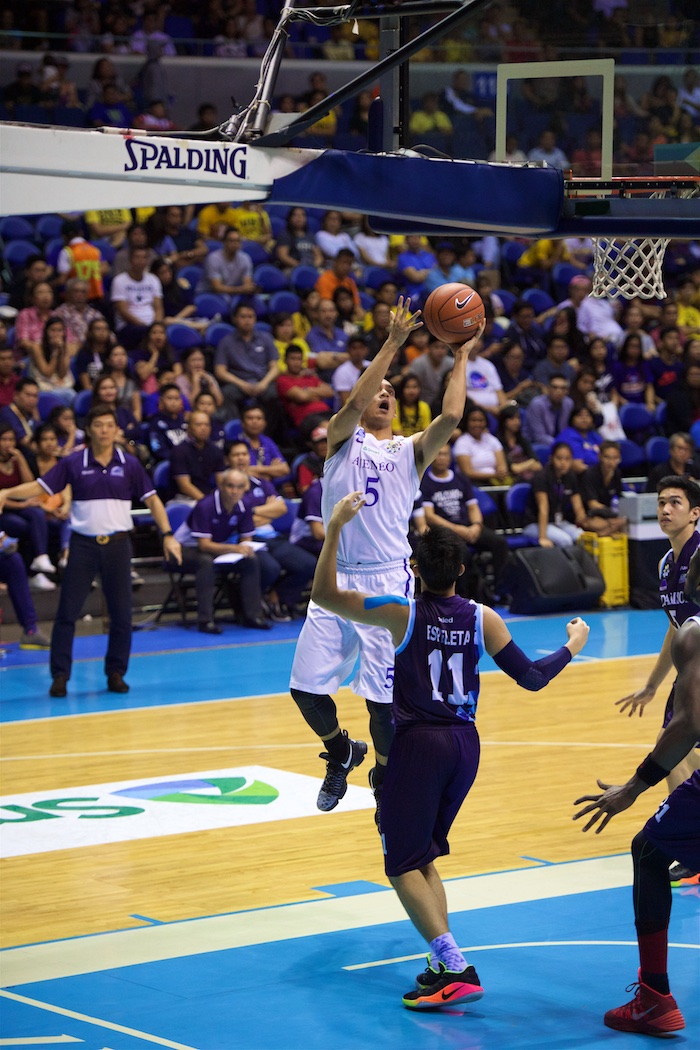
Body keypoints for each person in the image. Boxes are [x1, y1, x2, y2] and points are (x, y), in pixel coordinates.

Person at [314, 491, 589, 1008]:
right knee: (424, 856)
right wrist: (572, 646)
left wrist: (335, 531)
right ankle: (442, 963)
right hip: (466, 746)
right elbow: (531, 677)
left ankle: (456, 964)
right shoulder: (484, 618)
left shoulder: (401, 612)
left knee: (399, 863)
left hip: (419, 745)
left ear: (414, 568)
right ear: (461, 568)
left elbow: (326, 595)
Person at [289, 297, 485, 819]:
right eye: (374, 388)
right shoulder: (340, 441)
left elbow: (451, 415)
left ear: (396, 408)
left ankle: (385, 781)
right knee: (305, 693)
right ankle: (339, 751)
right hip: (336, 579)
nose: (382, 393)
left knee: (383, 707)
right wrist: (393, 344)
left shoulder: (409, 451)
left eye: (390, 391)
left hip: (387, 584)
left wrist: (461, 355)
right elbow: (353, 404)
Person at [573, 546, 700, 1037]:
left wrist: (633, 787)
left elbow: (688, 724)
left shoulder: (693, 633)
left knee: (648, 849)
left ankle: (654, 996)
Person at [0, 404, 182, 697]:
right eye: (99, 425)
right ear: (90, 429)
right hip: (83, 545)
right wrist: (7, 492)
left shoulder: (130, 463)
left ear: (116, 429)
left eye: (110, 425)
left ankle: (116, 672)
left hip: (119, 545)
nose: (105, 430)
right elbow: (39, 487)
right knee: (67, 614)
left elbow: (154, 501)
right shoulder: (73, 462)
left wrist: (168, 535)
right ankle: (60, 676)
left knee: (122, 615)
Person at [615, 476, 700, 796]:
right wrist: (652, 684)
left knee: (674, 752)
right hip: (690, 674)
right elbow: (676, 629)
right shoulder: (666, 564)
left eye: (675, 502)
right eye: (661, 502)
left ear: (695, 513)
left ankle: (682, 835)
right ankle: (686, 832)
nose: (665, 509)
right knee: (675, 752)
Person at [172, 468, 273, 633]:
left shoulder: (245, 504)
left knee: (251, 559)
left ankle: (252, 616)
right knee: (205, 562)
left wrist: (244, 549)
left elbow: (246, 538)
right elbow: (204, 545)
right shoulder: (205, 505)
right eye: (230, 486)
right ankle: (205, 620)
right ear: (221, 485)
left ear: (245, 488)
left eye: (240, 487)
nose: (235, 491)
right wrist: (235, 548)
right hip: (184, 549)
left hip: (217, 548)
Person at [420, 444, 509, 600]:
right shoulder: (425, 482)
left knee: (499, 542)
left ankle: (500, 591)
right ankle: (464, 597)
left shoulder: (461, 479)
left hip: (469, 527)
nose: (442, 458)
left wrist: (476, 526)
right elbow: (430, 516)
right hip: (446, 530)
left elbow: (473, 507)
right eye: (438, 454)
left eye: (445, 454)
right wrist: (457, 529)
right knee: (462, 553)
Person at [214, 302, 279, 420]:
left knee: (276, 393)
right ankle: (235, 429)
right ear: (235, 319)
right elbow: (220, 371)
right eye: (243, 317)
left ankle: (268, 433)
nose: (247, 320)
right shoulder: (226, 342)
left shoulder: (266, 338)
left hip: (262, 381)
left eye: (250, 317)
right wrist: (241, 384)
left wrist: (264, 383)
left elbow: (275, 367)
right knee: (227, 393)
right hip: (239, 383)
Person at [522, 441, 588, 547]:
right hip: (536, 524)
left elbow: (578, 506)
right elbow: (543, 508)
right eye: (559, 458)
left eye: (567, 459)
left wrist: (583, 523)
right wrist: (542, 537)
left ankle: (580, 564)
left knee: (583, 537)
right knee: (565, 540)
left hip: (559, 522)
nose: (563, 463)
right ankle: (565, 564)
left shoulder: (571, 477)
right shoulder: (542, 477)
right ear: (551, 458)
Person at [110, 246, 164, 351]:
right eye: (137, 257)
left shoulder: (153, 279)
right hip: (128, 326)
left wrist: (156, 326)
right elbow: (123, 311)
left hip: (151, 325)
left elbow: (158, 307)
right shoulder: (120, 280)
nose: (141, 261)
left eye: (144, 257)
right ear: (130, 260)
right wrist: (148, 329)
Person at [169, 411, 225, 503]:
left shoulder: (215, 450)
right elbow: (185, 486)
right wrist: (206, 503)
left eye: (207, 425)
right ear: (189, 428)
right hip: (184, 499)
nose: (203, 428)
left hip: (209, 496)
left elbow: (221, 481)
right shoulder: (179, 451)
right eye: (198, 425)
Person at [580, 440, 628, 537]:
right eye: (607, 457)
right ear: (599, 456)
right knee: (603, 524)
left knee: (626, 522)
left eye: (615, 458)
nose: (611, 462)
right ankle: (607, 532)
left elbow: (619, 497)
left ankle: (607, 533)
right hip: (590, 515)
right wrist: (612, 513)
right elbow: (592, 504)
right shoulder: (590, 474)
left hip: (608, 515)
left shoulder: (617, 474)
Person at [453, 406, 510, 486]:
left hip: (494, 481)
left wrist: (501, 472)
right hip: (472, 484)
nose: (477, 424)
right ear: (467, 422)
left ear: (486, 422)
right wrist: (494, 475)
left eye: (481, 420)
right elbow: (467, 473)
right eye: (473, 420)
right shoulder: (462, 442)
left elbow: (502, 465)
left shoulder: (492, 439)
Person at [523, 374, 574, 447]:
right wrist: (561, 444)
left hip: (560, 443)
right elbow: (539, 436)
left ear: (567, 391)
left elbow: (569, 430)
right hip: (535, 443)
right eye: (555, 387)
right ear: (548, 388)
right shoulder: (537, 404)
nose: (559, 391)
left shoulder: (569, 403)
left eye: (563, 388)